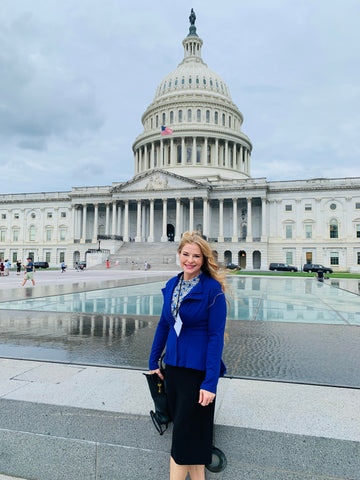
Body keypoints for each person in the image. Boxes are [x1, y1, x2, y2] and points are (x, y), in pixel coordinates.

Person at [149, 231, 227, 480]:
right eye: (186, 254)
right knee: (191, 440)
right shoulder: (172, 284)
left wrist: (210, 383)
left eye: (196, 256)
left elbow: (216, 337)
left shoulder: (212, 289)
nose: (190, 260)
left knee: (182, 440)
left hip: (198, 372)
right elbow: (163, 324)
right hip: (173, 369)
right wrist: (153, 362)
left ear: (204, 259)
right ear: (179, 254)